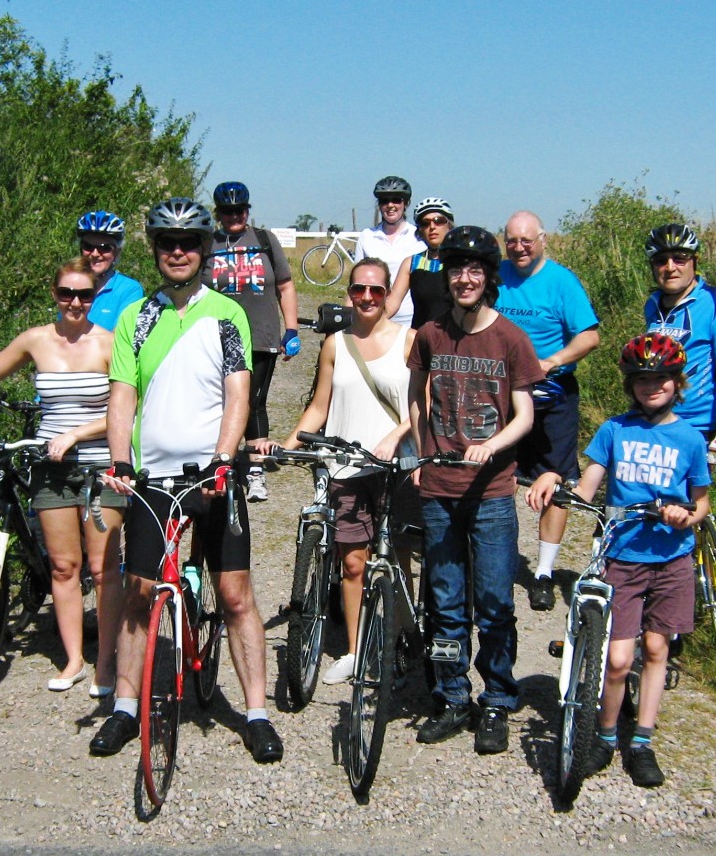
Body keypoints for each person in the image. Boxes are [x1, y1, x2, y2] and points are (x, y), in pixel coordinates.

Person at [89, 197, 283, 764]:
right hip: (151, 477)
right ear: (155, 251)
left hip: (213, 473)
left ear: (203, 250)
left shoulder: (228, 313)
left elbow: (238, 392)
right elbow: (121, 395)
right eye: (168, 244)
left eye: (188, 243)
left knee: (234, 594)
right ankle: (125, 708)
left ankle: (255, 713)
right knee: (138, 594)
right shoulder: (135, 317)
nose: (178, 252)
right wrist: (119, 461)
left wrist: (225, 457)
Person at [0, 259, 127, 695]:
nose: (75, 303)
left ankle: (108, 662)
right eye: (66, 294)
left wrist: (76, 433)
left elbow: (129, 406)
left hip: (100, 465)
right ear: (54, 294)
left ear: (95, 298)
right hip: (50, 468)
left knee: (104, 568)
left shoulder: (112, 343)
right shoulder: (36, 340)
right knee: (63, 567)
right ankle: (74, 658)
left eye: (84, 295)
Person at [526, 333, 712, 788]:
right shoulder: (615, 430)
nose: (653, 387)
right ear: (630, 385)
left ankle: (642, 741)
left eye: (662, 379)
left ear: (677, 383)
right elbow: (587, 487)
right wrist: (558, 484)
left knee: (655, 649)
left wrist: (685, 515)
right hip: (622, 556)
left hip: (671, 558)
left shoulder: (689, 438)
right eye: (642, 380)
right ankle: (605, 736)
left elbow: (703, 501)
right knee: (617, 658)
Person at [408, 225, 542, 755]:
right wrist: (419, 451)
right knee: (444, 601)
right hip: (439, 487)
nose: (464, 279)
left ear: (489, 278)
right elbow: (416, 398)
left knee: (493, 601)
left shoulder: (510, 338)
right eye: (456, 269)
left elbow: (526, 414)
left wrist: (492, 445)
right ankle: (453, 696)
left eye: (475, 271)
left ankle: (498, 700)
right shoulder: (431, 334)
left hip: (490, 492)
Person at [256, 258, 415, 685]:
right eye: (359, 289)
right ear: (349, 292)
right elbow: (318, 407)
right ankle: (352, 648)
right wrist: (285, 447)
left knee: (397, 559)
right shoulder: (335, 344)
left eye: (376, 291)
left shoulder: (409, 341)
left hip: (393, 465)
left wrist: (398, 437)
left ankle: (397, 641)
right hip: (345, 466)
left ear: (388, 297)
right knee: (352, 563)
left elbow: (423, 407)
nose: (366, 297)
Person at [495, 210, 601, 612]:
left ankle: (543, 572)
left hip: (552, 394)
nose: (519, 248)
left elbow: (589, 336)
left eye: (527, 240)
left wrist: (552, 361)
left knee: (555, 484)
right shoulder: (497, 275)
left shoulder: (561, 281)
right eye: (512, 241)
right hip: (502, 394)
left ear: (542, 240)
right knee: (496, 475)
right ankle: (495, 560)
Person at [205, 181, 301, 503]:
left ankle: (256, 472)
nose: (234, 216)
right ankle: (220, 461)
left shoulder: (263, 240)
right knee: (219, 400)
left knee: (253, 402)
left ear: (248, 210)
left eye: (240, 210)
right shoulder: (208, 242)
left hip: (260, 335)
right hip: (215, 336)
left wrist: (291, 330)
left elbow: (285, 286)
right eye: (227, 211)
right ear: (218, 214)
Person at [642, 224, 716, 460]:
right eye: (661, 260)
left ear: (694, 261)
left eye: (679, 259)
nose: (670, 268)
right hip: (655, 419)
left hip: (697, 425)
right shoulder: (653, 303)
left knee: (690, 495)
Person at [352, 176, 425, 327]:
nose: (390, 205)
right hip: (373, 316)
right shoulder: (367, 236)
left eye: (396, 199)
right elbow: (356, 281)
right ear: (379, 205)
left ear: (406, 203)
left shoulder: (419, 238)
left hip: (410, 318)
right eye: (384, 200)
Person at [384, 197, 454, 329]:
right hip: (421, 338)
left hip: (454, 340)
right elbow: (392, 303)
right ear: (420, 230)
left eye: (438, 221)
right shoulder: (411, 263)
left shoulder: (460, 262)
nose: (432, 227)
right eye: (425, 223)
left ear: (449, 225)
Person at [76, 211, 145, 332]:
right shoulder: (71, 285)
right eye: (88, 247)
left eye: (104, 248)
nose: (95, 254)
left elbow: (118, 339)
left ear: (116, 252)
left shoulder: (129, 290)